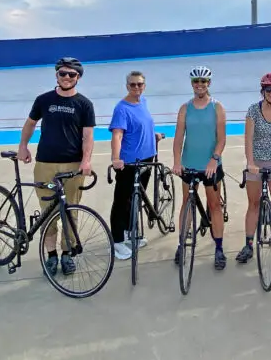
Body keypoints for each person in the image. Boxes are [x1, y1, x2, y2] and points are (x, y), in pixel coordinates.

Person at [17, 57, 96, 277]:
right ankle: (51, 255)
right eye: (63, 73)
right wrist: (23, 146)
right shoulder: (43, 100)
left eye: (71, 74)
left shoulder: (84, 104)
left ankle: (67, 254)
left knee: (70, 211)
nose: (67, 77)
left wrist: (86, 160)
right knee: (47, 212)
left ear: (78, 77)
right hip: (45, 165)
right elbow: (31, 123)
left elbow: (88, 135)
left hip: (72, 166)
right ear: (56, 75)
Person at [172, 66, 228, 270]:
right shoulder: (185, 108)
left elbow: (222, 139)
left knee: (214, 206)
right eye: (196, 82)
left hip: (211, 167)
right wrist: (177, 162)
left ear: (209, 84)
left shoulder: (217, 107)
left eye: (203, 82)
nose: (200, 85)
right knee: (186, 202)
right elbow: (178, 138)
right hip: (189, 165)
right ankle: (181, 244)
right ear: (192, 84)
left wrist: (214, 159)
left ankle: (219, 248)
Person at [236, 72, 271, 268]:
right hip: (257, 161)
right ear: (263, 91)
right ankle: (249, 244)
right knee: (253, 204)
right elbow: (249, 138)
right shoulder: (253, 110)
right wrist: (250, 162)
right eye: (268, 90)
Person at [108, 70, 160, 261]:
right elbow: (117, 135)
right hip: (129, 163)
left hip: (148, 159)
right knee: (122, 200)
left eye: (140, 84)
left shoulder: (143, 102)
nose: (136, 87)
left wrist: (154, 136)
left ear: (144, 86)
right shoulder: (121, 108)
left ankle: (131, 232)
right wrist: (116, 158)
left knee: (136, 199)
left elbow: (143, 125)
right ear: (127, 86)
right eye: (132, 85)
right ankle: (117, 241)